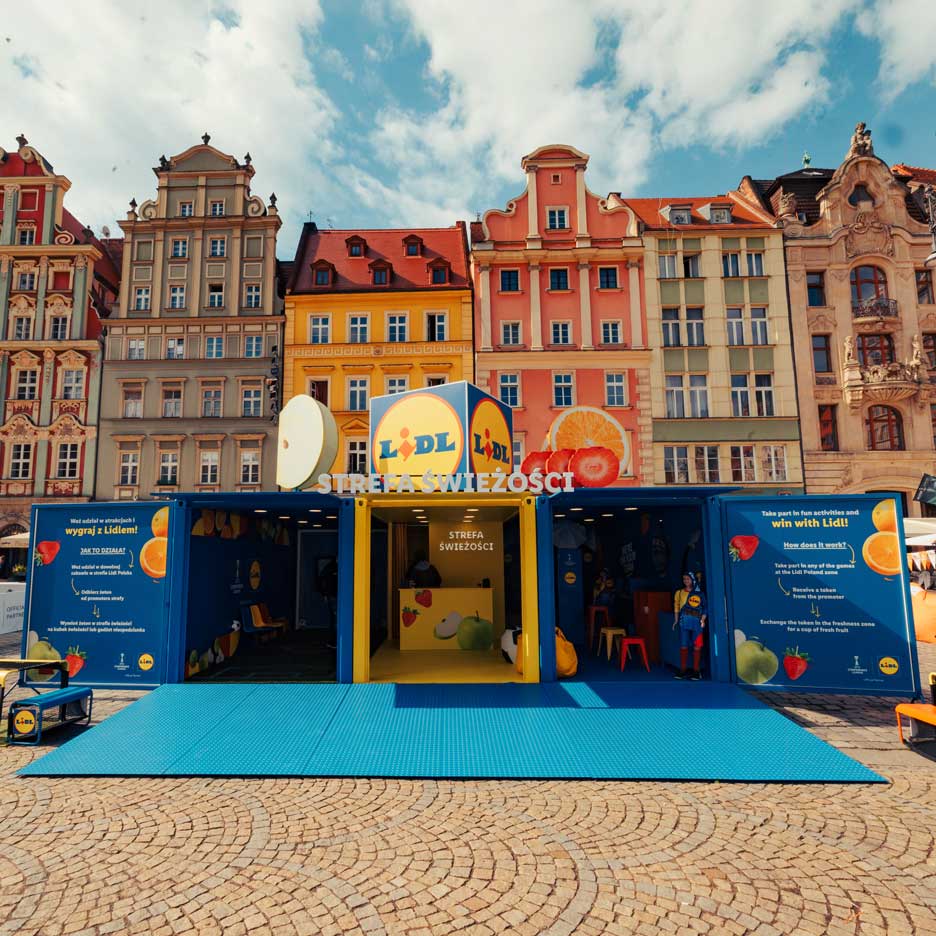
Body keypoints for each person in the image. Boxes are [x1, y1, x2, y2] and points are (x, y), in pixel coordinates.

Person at [673, 571, 706, 680]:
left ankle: (696, 671)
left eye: (688, 579)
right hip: (684, 623)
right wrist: (676, 621)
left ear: (692, 579)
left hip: (697, 623)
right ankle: (683, 670)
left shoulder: (700, 593)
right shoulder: (679, 593)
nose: (686, 581)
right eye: (684, 579)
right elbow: (677, 607)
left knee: (697, 645)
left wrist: (703, 619)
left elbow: (705, 608)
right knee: (683, 645)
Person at [317, 557, 339, 650]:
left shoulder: (339, 567)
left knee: (336, 618)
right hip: (333, 597)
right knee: (335, 618)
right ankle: (334, 642)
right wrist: (325, 594)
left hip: (338, 596)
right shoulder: (330, 568)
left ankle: (335, 642)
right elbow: (322, 581)